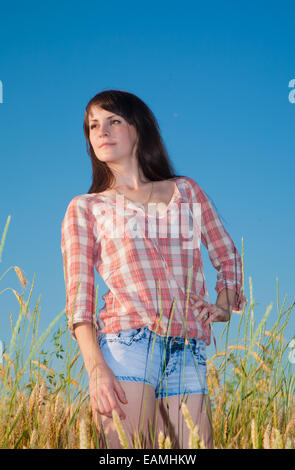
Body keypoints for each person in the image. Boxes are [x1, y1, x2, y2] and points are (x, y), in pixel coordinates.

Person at [61, 89, 247, 449]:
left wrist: (223, 306)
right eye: (93, 125)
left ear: (139, 129)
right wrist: (96, 368)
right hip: (126, 344)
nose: (102, 131)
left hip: (187, 347)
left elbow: (227, 255)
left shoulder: (186, 192)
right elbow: (79, 297)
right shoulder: (85, 208)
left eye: (114, 121)